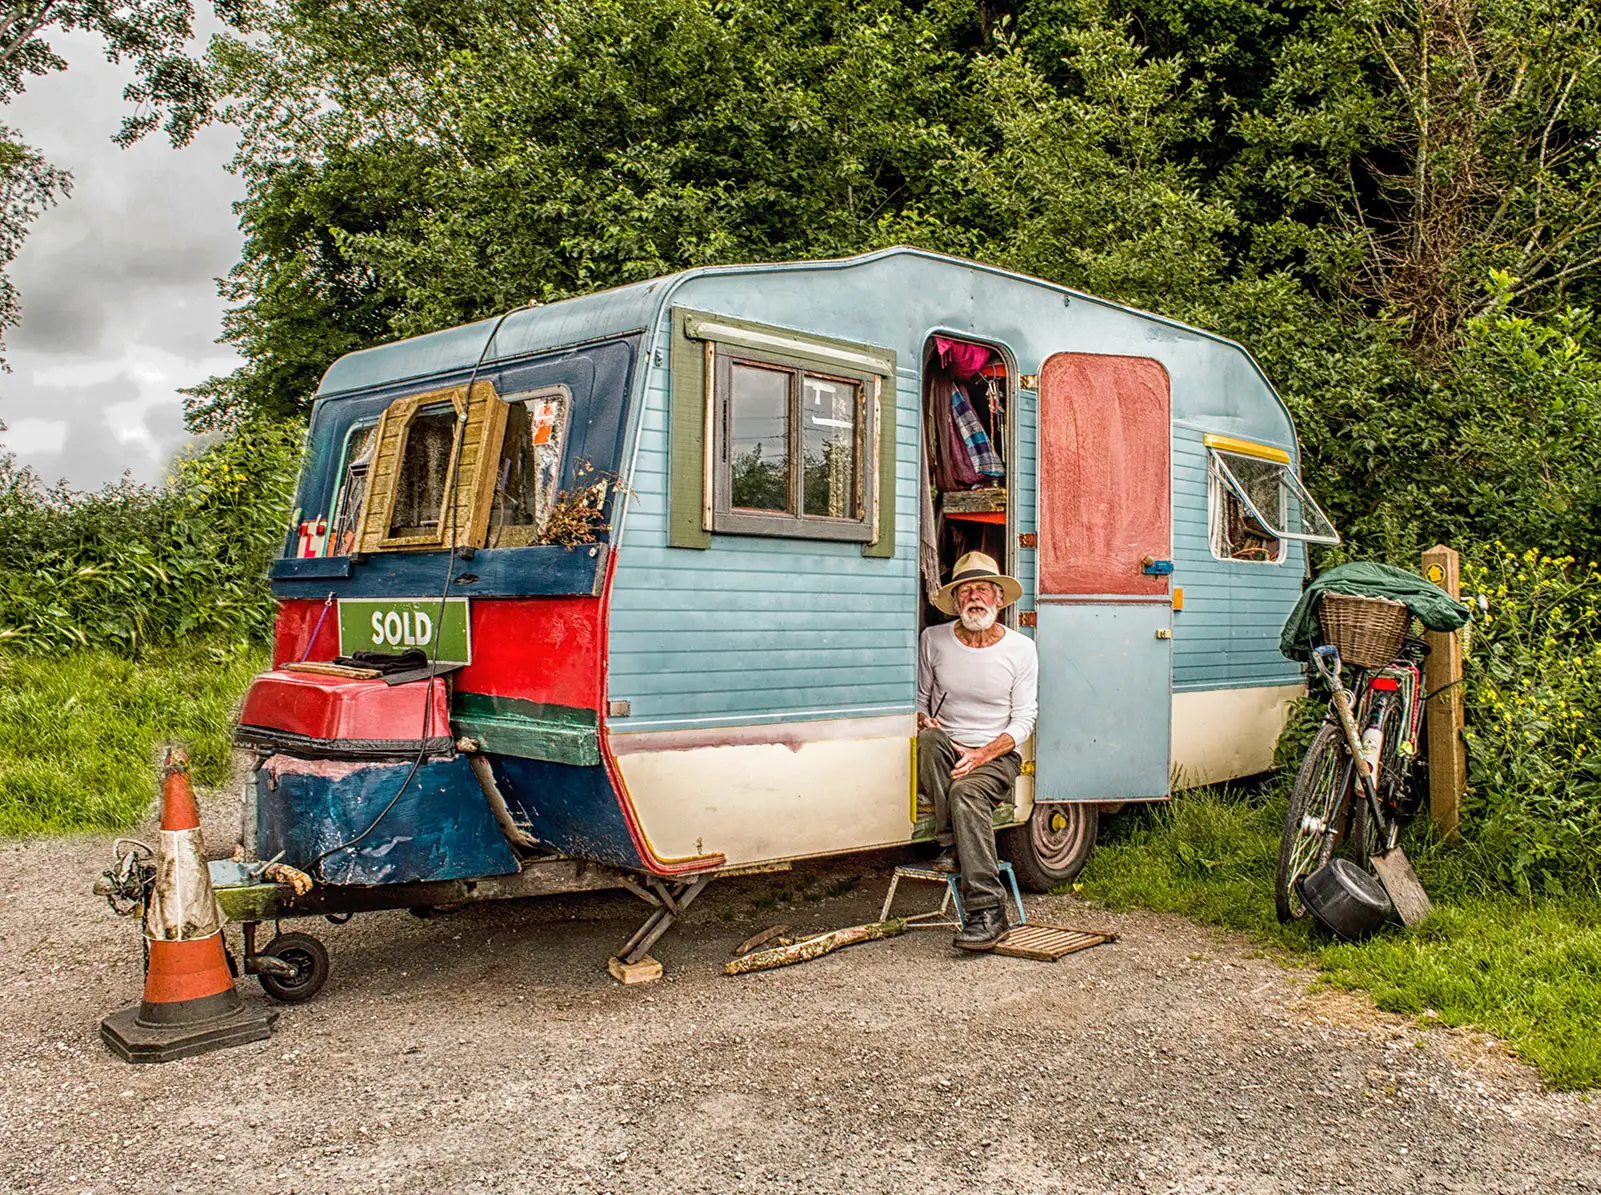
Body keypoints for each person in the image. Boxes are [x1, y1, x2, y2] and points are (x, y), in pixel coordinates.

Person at [916, 550, 1039, 951]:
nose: (974, 597)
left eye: (983, 589)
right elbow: (920, 699)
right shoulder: (932, 640)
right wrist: (924, 720)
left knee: (967, 792)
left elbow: (1024, 720)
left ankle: (989, 912)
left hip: (997, 755)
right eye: (965, 590)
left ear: (998, 599)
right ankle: (952, 843)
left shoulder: (1021, 649)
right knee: (929, 742)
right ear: (954, 602)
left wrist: (983, 754)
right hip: (947, 748)